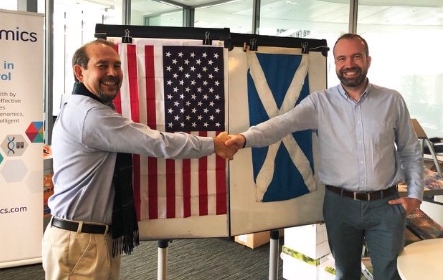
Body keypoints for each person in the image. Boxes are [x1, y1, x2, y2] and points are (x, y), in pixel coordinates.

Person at [225, 33, 424, 280]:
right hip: (340, 206)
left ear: (368, 60)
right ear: (335, 64)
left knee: (389, 274)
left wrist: (415, 195)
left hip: (385, 206)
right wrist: (244, 139)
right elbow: (281, 124)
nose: (349, 64)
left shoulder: (392, 100)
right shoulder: (320, 103)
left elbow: (409, 149)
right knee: (345, 274)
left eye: (356, 57)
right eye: (342, 58)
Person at [42, 39, 237, 280]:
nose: (112, 73)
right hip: (80, 242)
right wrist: (213, 144)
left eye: (117, 65)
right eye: (102, 66)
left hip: (89, 238)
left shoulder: (81, 105)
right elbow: (157, 142)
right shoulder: (91, 115)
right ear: (79, 72)